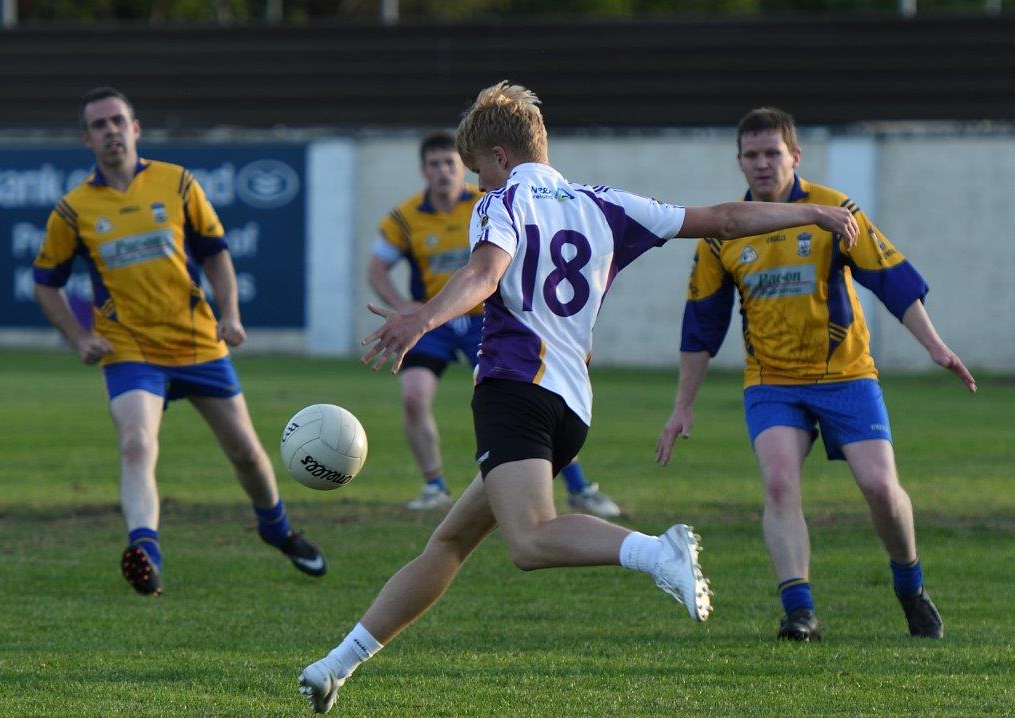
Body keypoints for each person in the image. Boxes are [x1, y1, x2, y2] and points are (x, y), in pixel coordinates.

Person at [297, 82, 859, 713]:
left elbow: (484, 274)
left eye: (478, 169)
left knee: (530, 542)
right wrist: (810, 212)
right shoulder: (606, 203)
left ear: (501, 155)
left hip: (514, 390)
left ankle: (655, 550)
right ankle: (334, 667)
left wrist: (421, 318)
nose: (478, 183)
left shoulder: (501, 200)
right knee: (450, 543)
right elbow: (724, 220)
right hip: (570, 409)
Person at [656, 107, 976, 642]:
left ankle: (910, 587)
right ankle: (799, 611)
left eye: (772, 153)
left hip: (847, 375)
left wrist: (936, 347)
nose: (761, 163)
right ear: (739, 161)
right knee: (780, 484)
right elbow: (701, 324)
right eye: (751, 154)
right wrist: (682, 404)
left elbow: (891, 278)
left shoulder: (833, 209)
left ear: (794, 156)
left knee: (880, 488)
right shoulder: (724, 231)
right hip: (772, 382)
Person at [32, 87, 327, 596]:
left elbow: (216, 252)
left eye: (118, 121)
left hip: (195, 342)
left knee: (247, 453)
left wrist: (230, 315)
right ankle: (145, 549)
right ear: (87, 139)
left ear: (136, 128)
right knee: (136, 442)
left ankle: (278, 531)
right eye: (99, 125)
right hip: (129, 349)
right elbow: (45, 281)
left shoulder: (177, 182)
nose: (110, 131)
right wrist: (79, 337)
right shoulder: (74, 209)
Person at [370, 131, 621, 517]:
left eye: (449, 163)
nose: (443, 171)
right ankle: (434, 485)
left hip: (487, 321)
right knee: (413, 395)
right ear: (423, 170)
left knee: (533, 398)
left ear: (463, 166)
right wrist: (406, 307)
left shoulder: (488, 202)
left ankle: (580, 488)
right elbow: (376, 270)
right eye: (434, 164)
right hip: (434, 320)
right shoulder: (405, 218)